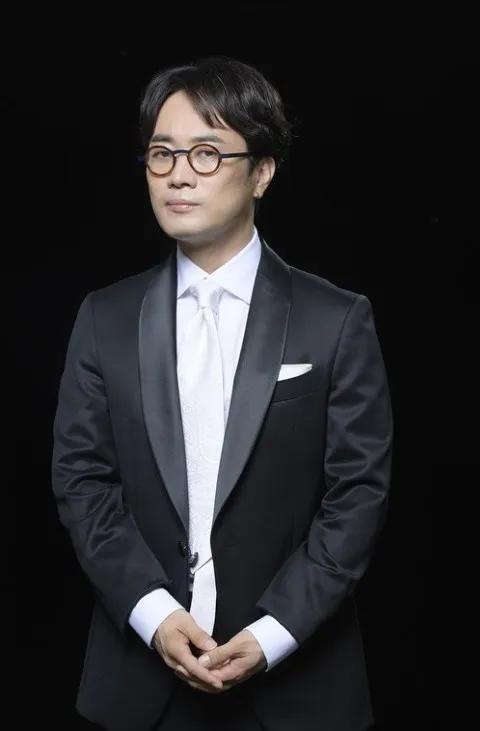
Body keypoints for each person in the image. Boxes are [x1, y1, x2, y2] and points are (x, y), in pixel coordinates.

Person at [51, 55, 393, 731]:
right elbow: (82, 480)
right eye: (162, 154)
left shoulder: (336, 319)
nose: (178, 173)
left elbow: (359, 493)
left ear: (262, 171)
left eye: (206, 153)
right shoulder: (104, 317)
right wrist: (152, 612)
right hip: (140, 689)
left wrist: (273, 633)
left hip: (297, 688)